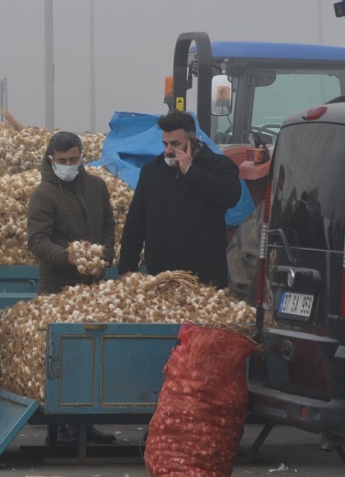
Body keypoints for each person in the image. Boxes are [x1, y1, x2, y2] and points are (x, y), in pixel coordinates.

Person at [26, 130, 117, 445]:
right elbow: (37, 241)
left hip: (92, 284)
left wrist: (104, 253)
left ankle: (85, 424)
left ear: (82, 156)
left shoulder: (96, 187)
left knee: (92, 355)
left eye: (73, 159)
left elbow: (108, 225)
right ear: (52, 160)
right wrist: (68, 256)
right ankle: (59, 428)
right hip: (59, 286)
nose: (68, 164)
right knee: (60, 359)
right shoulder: (44, 193)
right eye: (62, 160)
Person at [118, 110, 241, 287]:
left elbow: (230, 196)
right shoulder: (152, 171)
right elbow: (136, 223)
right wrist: (127, 270)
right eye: (165, 144)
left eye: (175, 144)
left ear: (192, 141)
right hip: (161, 276)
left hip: (205, 277)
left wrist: (190, 171)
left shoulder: (219, 165)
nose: (168, 150)